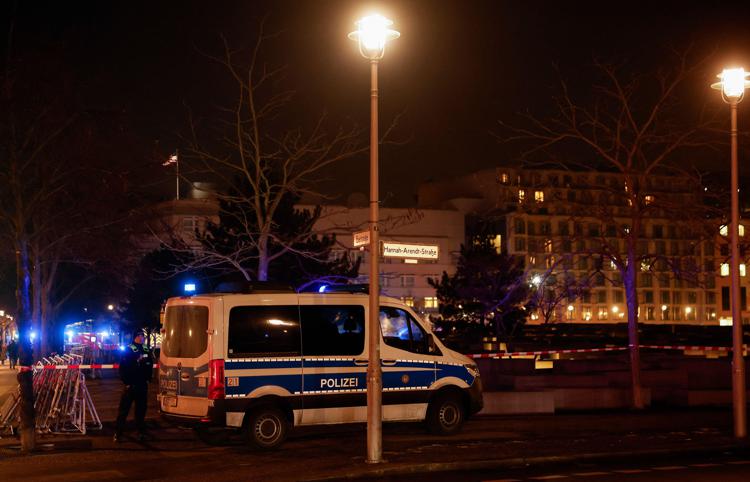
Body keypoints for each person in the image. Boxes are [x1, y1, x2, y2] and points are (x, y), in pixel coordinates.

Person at [114, 331, 154, 442]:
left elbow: (149, 364)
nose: (143, 338)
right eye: (141, 336)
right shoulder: (128, 349)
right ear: (136, 337)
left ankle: (141, 432)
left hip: (142, 385)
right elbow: (123, 368)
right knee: (123, 411)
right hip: (131, 385)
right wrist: (126, 383)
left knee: (140, 411)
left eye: (143, 336)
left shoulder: (146, 349)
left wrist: (148, 379)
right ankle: (118, 433)